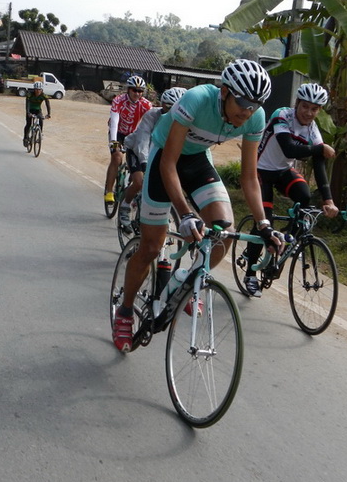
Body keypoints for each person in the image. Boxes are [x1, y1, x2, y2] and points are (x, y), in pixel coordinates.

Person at [112, 59, 282, 353]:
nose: (247, 111)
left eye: (255, 105)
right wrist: (186, 214)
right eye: (243, 102)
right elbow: (168, 163)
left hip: (198, 160)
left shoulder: (255, 117)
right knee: (151, 247)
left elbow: (249, 177)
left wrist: (264, 224)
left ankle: (185, 279)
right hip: (166, 158)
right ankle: (125, 311)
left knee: (223, 232)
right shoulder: (197, 99)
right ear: (225, 91)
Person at [242, 82, 339, 296]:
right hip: (260, 170)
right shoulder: (282, 115)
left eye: (314, 109)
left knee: (304, 196)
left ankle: (287, 242)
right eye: (305, 106)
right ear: (297, 103)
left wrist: (328, 200)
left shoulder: (312, 129)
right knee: (263, 221)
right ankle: (250, 274)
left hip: (283, 171)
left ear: (319, 110)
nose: (308, 113)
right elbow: (289, 148)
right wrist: (319, 148)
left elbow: (319, 165)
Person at [118, 86, 187, 231]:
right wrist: (144, 163)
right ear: (162, 105)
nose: (171, 113)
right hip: (136, 149)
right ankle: (125, 206)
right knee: (139, 182)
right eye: (168, 108)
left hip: (158, 153)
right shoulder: (152, 115)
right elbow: (142, 141)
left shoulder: (182, 121)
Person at [104, 75, 153, 205]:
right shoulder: (119, 100)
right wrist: (114, 141)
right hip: (118, 132)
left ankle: (132, 186)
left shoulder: (146, 105)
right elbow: (114, 121)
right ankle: (109, 191)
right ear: (128, 90)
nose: (137, 94)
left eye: (140, 91)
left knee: (140, 161)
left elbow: (151, 124)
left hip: (133, 135)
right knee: (117, 157)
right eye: (134, 90)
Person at [23, 81, 52, 148]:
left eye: (39, 90)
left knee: (41, 119)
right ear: (34, 89)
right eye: (36, 89)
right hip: (30, 110)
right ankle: (25, 138)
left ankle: (40, 133)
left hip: (38, 110)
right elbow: (27, 104)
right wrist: (28, 113)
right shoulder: (30, 94)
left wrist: (49, 114)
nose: (38, 91)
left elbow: (47, 104)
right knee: (28, 124)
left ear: (41, 90)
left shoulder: (43, 95)